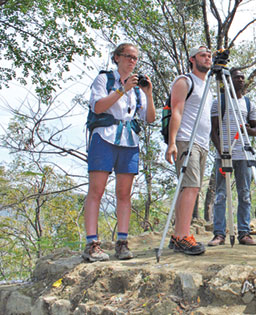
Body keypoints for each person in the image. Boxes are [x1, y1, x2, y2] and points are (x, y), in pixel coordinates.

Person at [83, 43, 156, 262]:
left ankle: (122, 243)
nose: (132, 61)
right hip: (104, 137)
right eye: (128, 56)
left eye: (135, 58)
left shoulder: (137, 88)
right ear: (116, 58)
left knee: (124, 193)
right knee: (96, 189)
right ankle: (91, 243)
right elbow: (97, 107)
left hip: (129, 140)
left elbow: (149, 118)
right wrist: (121, 89)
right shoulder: (104, 79)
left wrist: (148, 94)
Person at [165, 45, 212, 255]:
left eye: (209, 56)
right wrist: (172, 142)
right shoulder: (184, 81)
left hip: (202, 143)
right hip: (187, 140)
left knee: (192, 188)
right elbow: (177, 110)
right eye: (203, 55)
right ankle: (183, 236)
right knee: (191, 187)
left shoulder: (207, 87)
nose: (208, 59)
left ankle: (178, 235)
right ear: (192, 59)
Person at [208, 69, 256, 246]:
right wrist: (221, 151)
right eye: (236, 77)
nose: (240, 80)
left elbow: (255, 129)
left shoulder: (248, 104)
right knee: (221, 195)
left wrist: (247, 128)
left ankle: (244, 233)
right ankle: (219, 234)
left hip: (243, 155)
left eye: (242, 77)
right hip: (224, 155)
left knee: (245, 194)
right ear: (228, 80)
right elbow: (213, 131)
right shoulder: (218, 103)